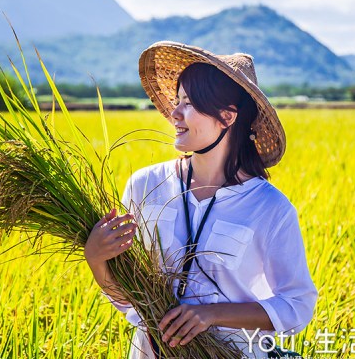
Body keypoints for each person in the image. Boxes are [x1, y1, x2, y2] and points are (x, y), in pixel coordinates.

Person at [83, 41, 318, 358]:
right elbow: (129, 298)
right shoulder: (146, 185)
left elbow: (297, 305)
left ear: (227, 116)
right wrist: (97, 259)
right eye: (177, 101)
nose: (174, 113)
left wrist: (212, 314)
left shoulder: (269, 208)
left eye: (189, 103)